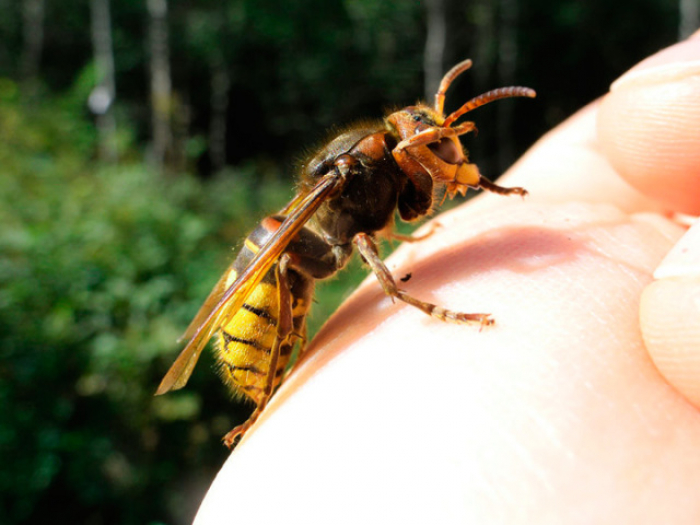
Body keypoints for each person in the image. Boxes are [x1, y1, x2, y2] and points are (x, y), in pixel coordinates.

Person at [195, 34, 700, 524]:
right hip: (264, 306)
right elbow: (361, 236)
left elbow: (404, 202)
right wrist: (433, 306)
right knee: (286, 260)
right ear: (405, 148)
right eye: (435, 146)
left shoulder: (383, 163)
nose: (447, 158)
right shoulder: (357, 169)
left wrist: (485, 188)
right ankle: (265, 397)